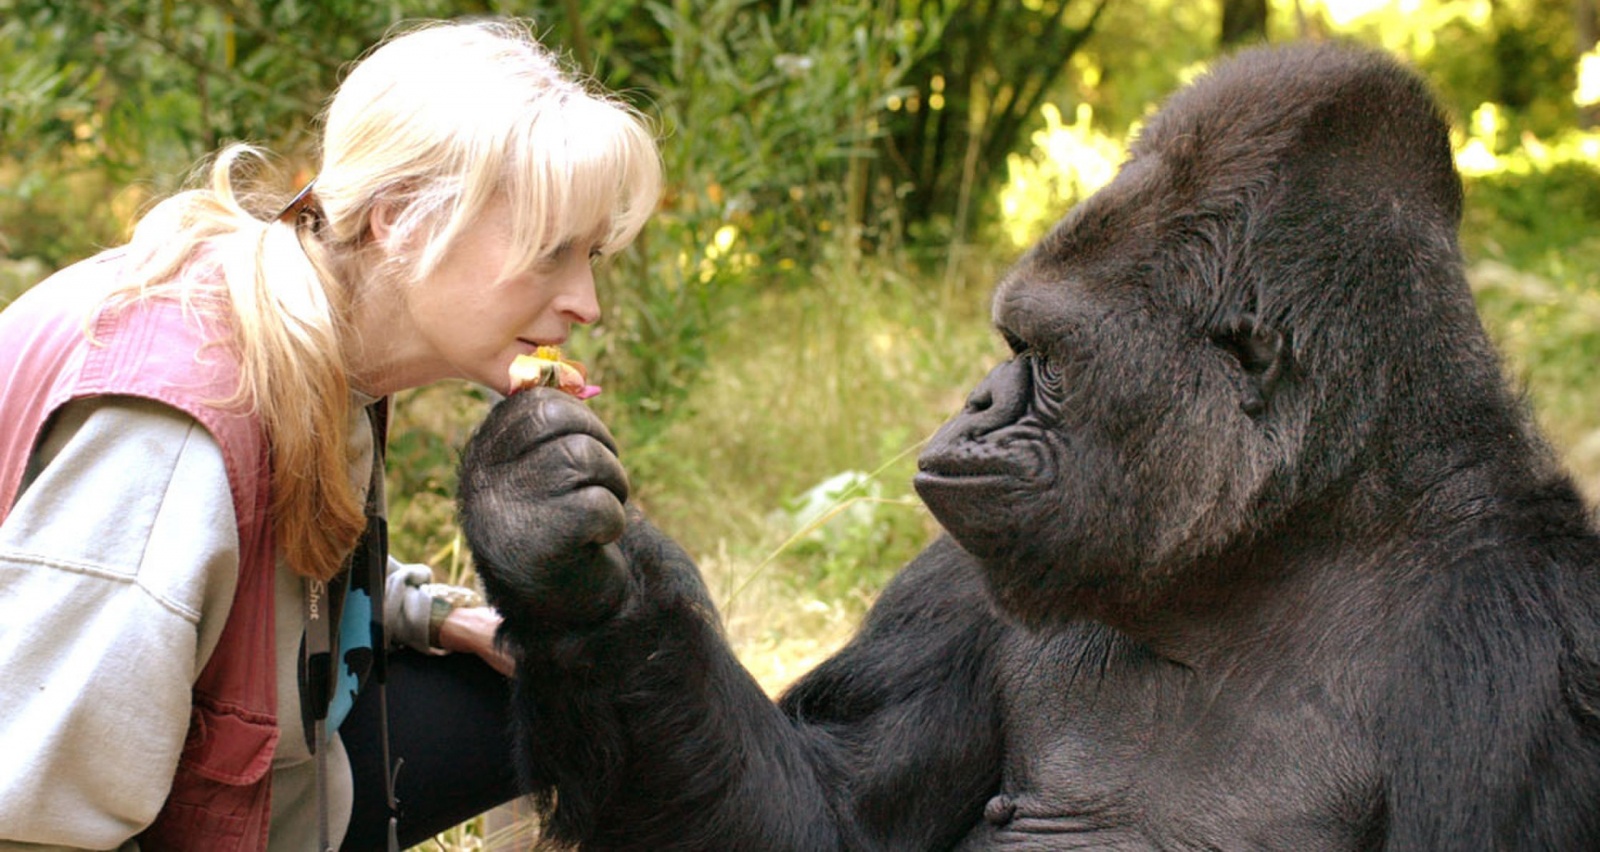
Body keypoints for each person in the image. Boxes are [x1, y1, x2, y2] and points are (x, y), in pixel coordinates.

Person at [0, 18, 661, 851]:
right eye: (550, 251)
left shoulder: (312, 329)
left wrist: (428, 613)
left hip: (278, 789)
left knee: (582, 688)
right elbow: (30, 813)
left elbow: (248, 579)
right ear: (401, 218)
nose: (585, 304)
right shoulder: (174, 436)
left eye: (590, 255)